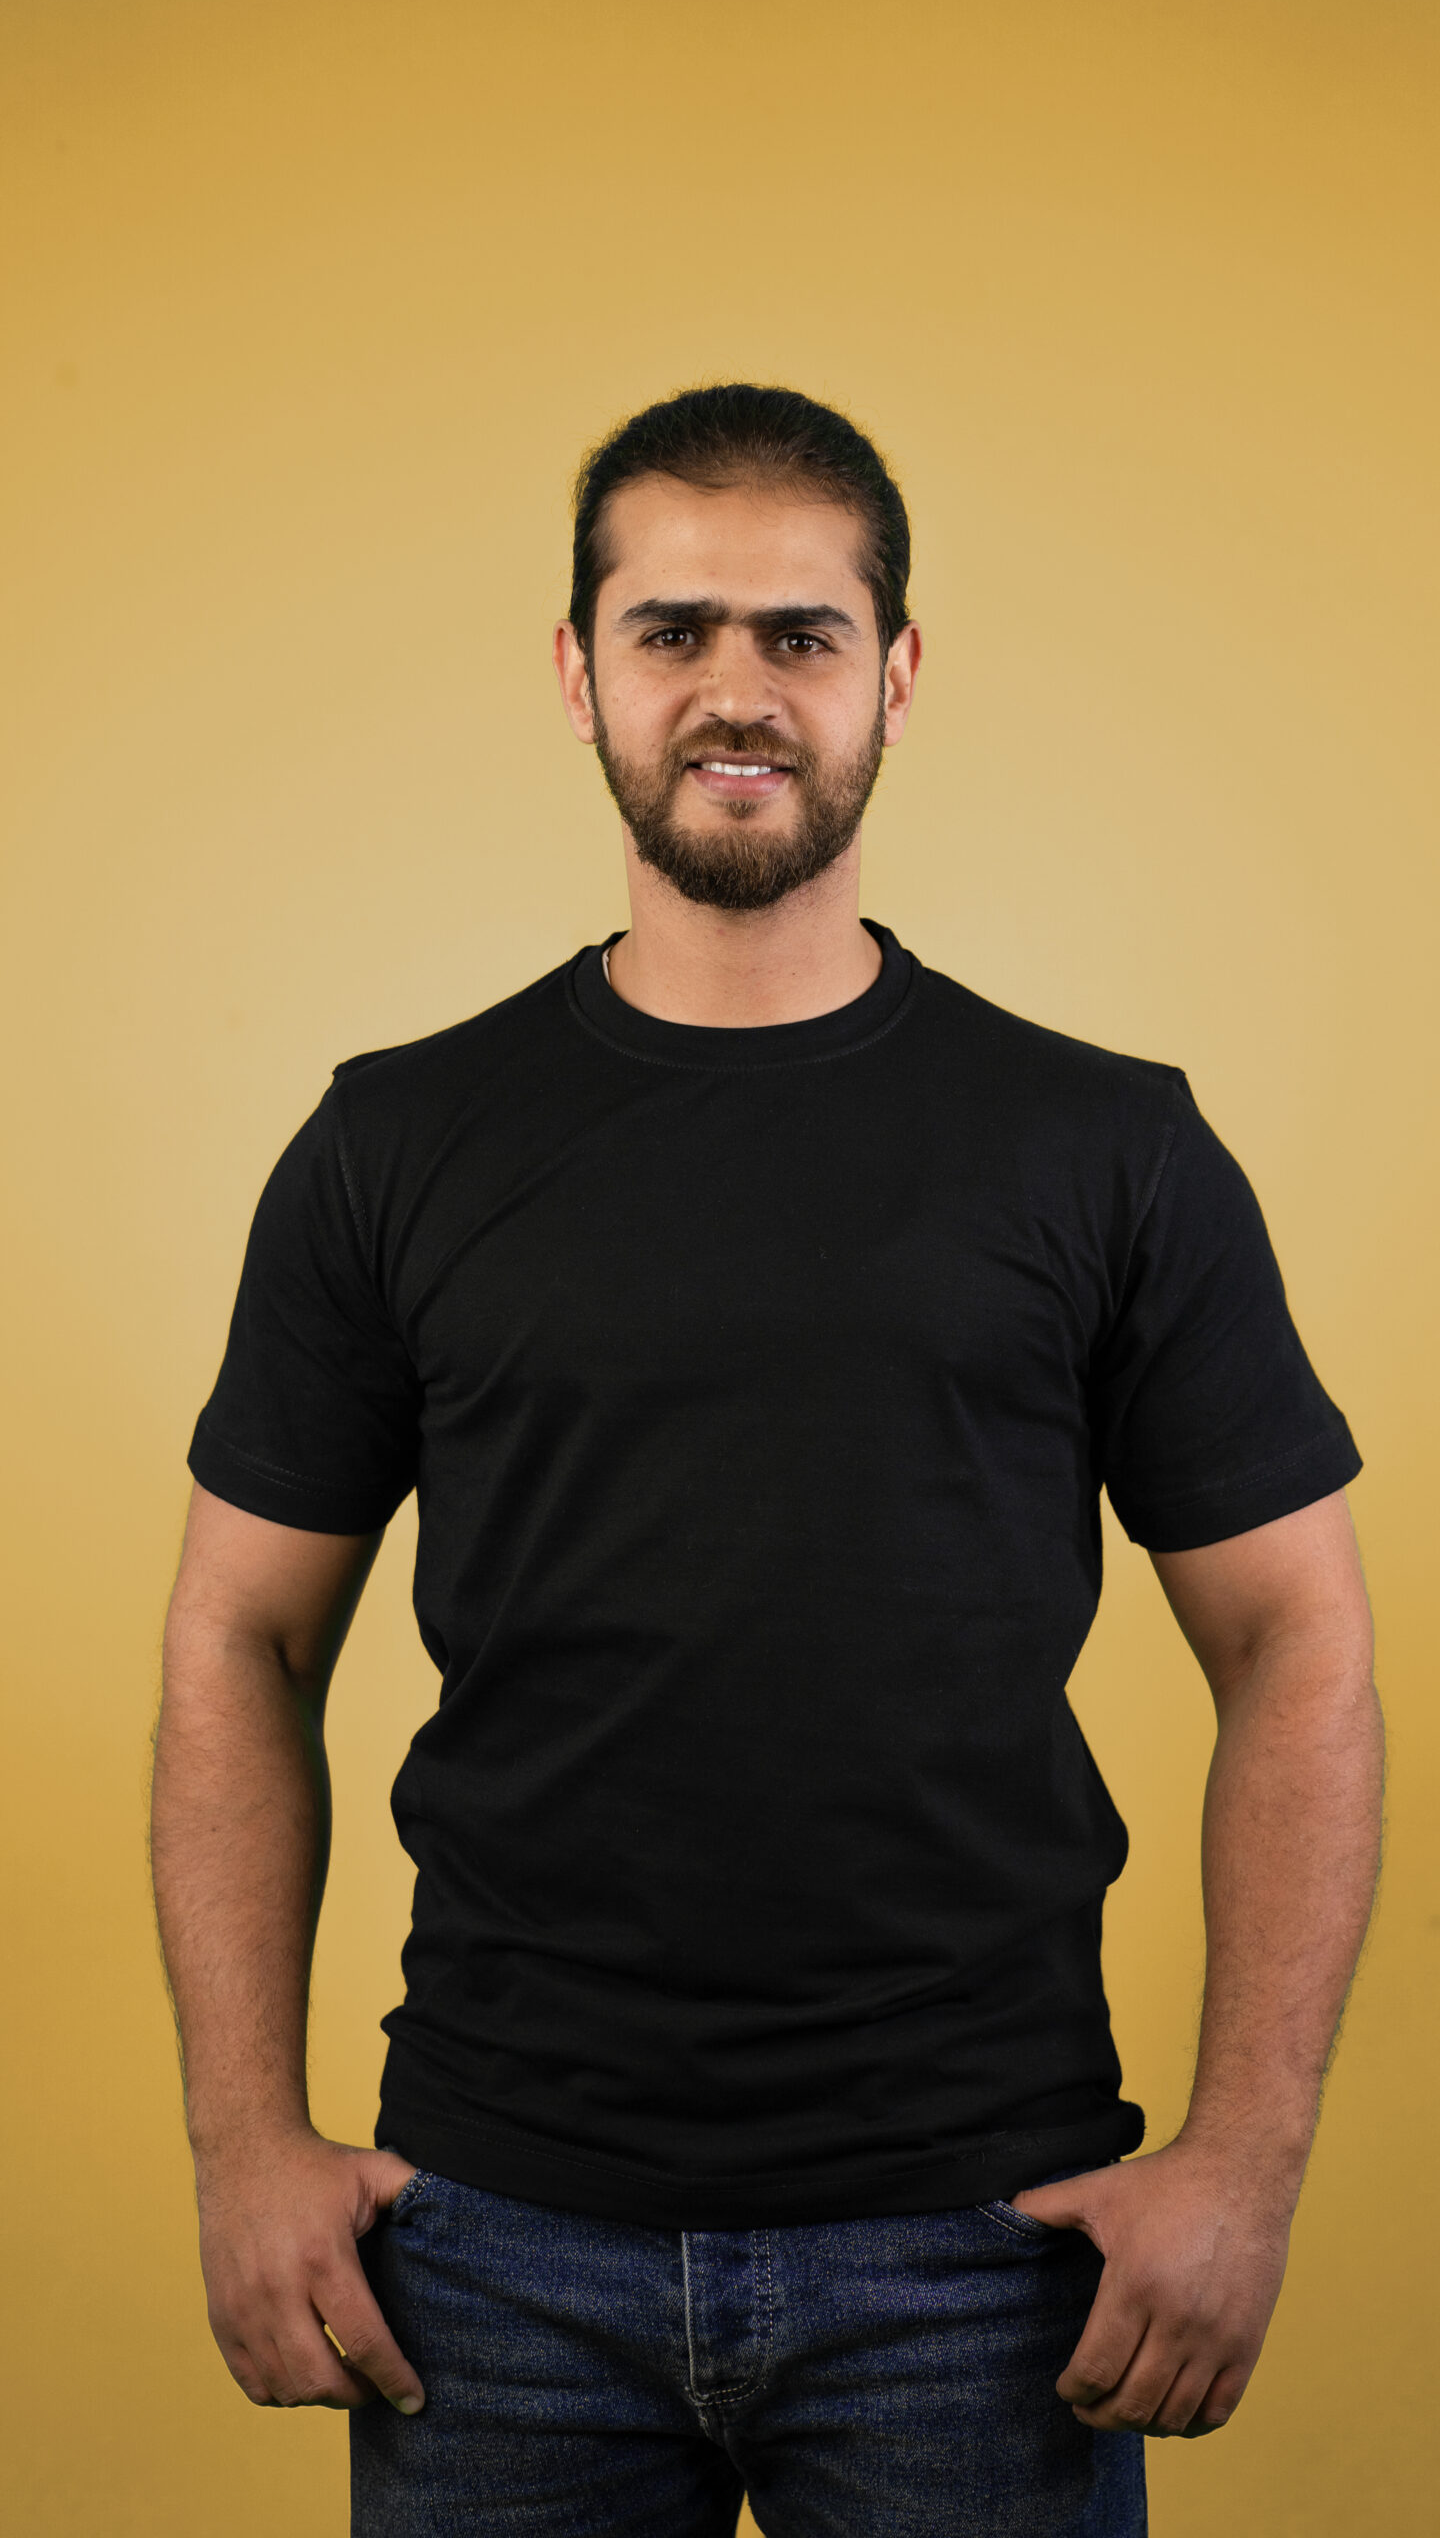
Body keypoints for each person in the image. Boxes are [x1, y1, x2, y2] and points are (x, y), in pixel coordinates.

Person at [152, 384, 1381, 2538]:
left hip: (984, 2249)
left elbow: (1301, 1640)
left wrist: (1245, 2163)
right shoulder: (393, 1143)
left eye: (802, 634)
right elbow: (237, 1639)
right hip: (488, 2245)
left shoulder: (1106, 1146)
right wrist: (242, 2141)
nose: (737, 691)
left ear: (897, 672)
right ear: (580, 670)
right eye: (674, 630)